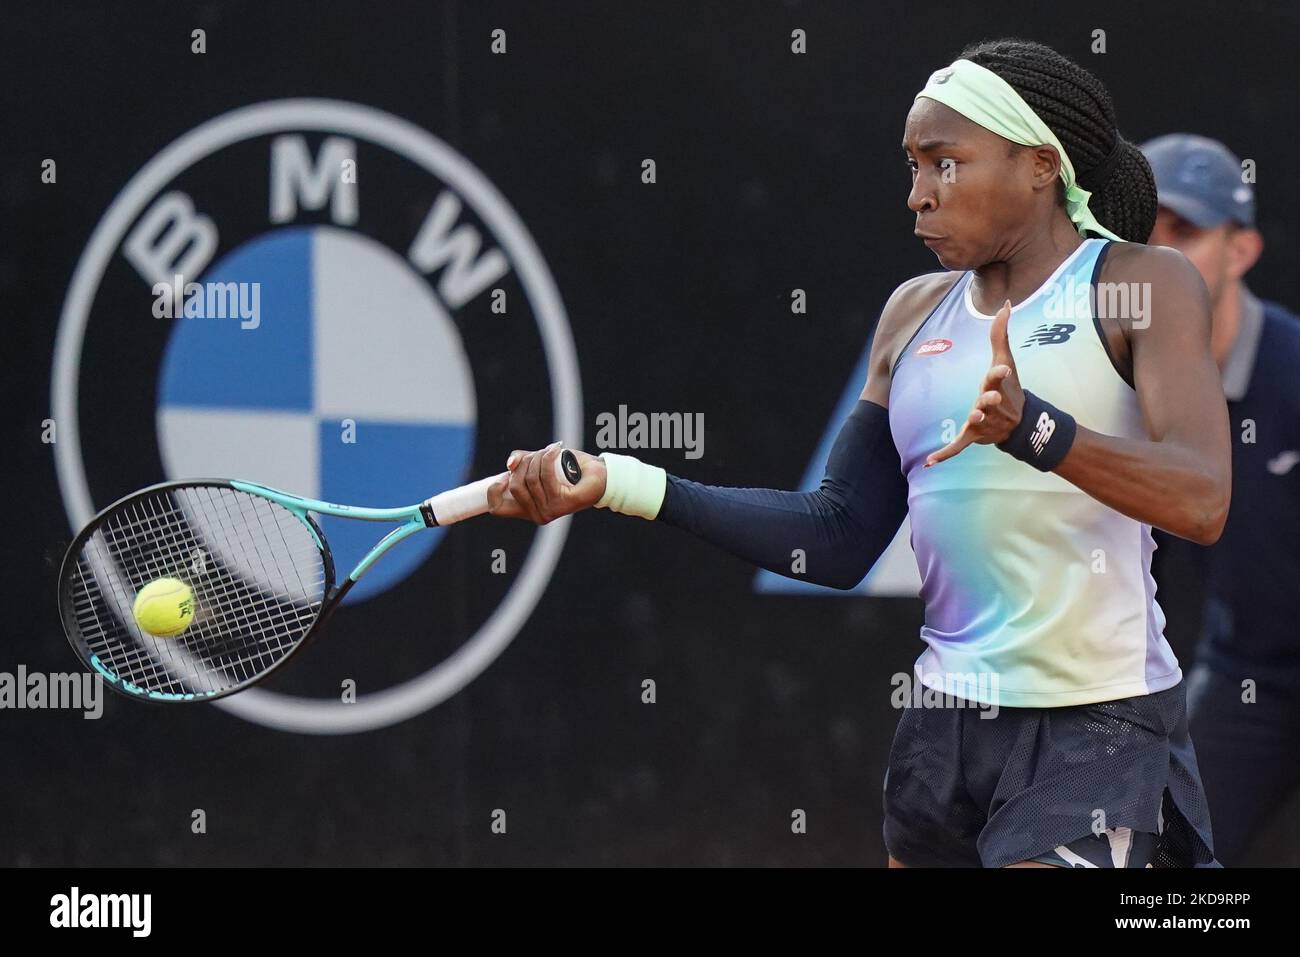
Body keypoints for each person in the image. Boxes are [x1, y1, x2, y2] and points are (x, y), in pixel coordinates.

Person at [489, 38, 1230, 868]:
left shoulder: (1140, 285)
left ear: (1038, 165)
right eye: (912, 166)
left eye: (944, 163)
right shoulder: (912, 312)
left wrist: (1036, 430)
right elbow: (838, 533)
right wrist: (619, 482)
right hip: (944, 728)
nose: (918, 196)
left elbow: (1201, 500)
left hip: (1096, 724)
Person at [1142, 133, 1300, 866]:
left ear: (1239, 252)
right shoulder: (1124, 387)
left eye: (1185, 231)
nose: (1159, 254)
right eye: (1140, 231)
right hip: (1252, 677)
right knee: (1167, 865)